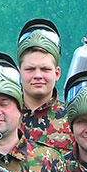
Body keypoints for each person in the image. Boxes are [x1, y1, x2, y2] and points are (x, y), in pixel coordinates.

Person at [17, 18, 71, 153]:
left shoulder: (73, 120)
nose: (37, 75)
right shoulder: (4, 117)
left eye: (45, 69)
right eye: (30, 69)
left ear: (57, 73)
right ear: (19, 72)